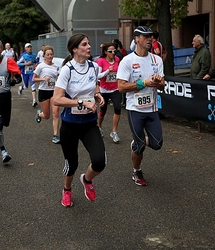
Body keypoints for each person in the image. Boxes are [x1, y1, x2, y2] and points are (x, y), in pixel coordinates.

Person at [52, 33, 106, 207]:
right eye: (84, 44)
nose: (89, 47)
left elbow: (94, 84)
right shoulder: (67, 69)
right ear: (75, 49)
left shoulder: (94, 67)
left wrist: (97, 94)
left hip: (89, 124)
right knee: (72, 164)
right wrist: (81, 102)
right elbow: (57, 99)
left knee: (100, 161)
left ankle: (87, 180)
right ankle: (67, 190)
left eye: (89, 44)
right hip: (70, 125)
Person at [117, 26, 165, 186]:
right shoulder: (127, 61)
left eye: (151, 36)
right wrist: (143, 83)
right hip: (135, 110)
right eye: (145, 36)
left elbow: (163, 86)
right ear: (136, 39)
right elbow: (121, 87)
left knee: (157, 144)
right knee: (139, 147)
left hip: (152, 109)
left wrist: (158, 82)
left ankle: (138, 140)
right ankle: (136, 171)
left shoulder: (156, 60)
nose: (150, 39)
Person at [32, 45, 61, 144]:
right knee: (47, 115)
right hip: (43, 91)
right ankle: (39, 114)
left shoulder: (56, 66)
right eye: (48, 54)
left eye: (51, 54)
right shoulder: (40, 66)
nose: (50, 56)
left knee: (56, 113)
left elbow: (58, 79)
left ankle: (56, 135)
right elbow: (34, 79)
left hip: (53, 92)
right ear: (44, 55)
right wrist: (43, 79)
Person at [96, 42, 122, 143]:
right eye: (110, 51)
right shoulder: (101, 61)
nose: (113, 53)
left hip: (115, 88)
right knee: (103, 110)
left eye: (114, 51)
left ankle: (114, 131)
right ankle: (99, 126)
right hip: (104, 89)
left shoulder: (117, 60)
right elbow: (97, 76)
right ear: (106, 52)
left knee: (117, 108)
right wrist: (107, 71)